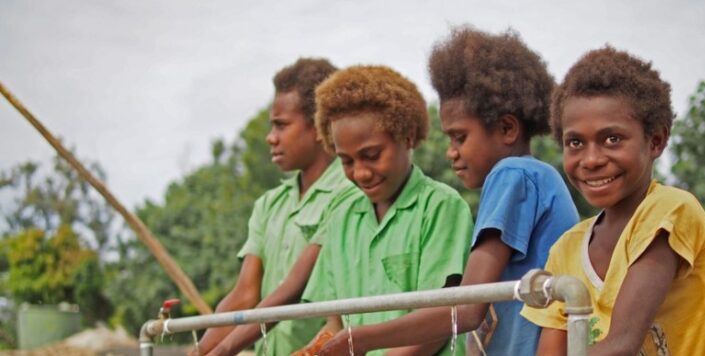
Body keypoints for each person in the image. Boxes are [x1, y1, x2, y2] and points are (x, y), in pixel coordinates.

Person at [315, 27, 580, 356]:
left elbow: (466, 309)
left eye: (460, 137)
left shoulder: (513, 174)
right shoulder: (535, 177)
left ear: (507, 128)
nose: (450, 152)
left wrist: (361, 339)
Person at [521, 47, 705, 355]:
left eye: (612, 139)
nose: (592, 159)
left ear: (656, 141)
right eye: (575, 143)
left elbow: (622, 345)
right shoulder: (566, 249)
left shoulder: (671, 210)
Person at [296, 65, 474, 356]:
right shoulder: (341, 218)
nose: (361, 173)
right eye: (347, 161)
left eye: (372, 155)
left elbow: (440, 324)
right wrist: (312, 350)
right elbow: (336, 323)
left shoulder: (441, 207)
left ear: (406, 137)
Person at [195, 58, 358, 356]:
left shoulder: (350, 193)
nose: (271, 137)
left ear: (319, 127)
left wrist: (224, 350)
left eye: (281, 125)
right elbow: (245, 294)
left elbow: (291, 292)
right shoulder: (269, 205)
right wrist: (202, 348)